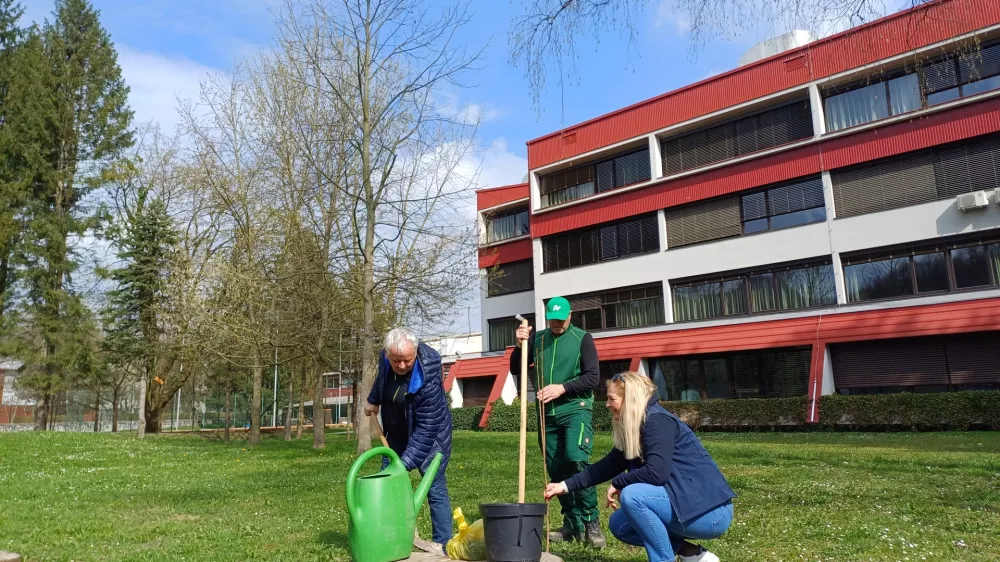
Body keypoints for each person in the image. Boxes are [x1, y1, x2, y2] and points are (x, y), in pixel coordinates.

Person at [544, 372, 737, 562]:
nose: (607, 404)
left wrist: (620, 482)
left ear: (630, 399)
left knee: (633, 496)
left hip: (711, 513)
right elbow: (609, 465)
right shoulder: (638, 426)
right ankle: (694, 555)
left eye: (612, 398)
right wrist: (564, 486)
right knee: (620, 524)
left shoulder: (657, 422)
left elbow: (656, 473)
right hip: (687, 505)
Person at [511, 296, 605, 547]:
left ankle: (591, 521)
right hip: (547, 414)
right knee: (556, 468)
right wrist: (519, 344)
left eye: (561, 320)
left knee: (576, 459)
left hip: (575, 409)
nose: (557, 325)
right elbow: (516, 368)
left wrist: (562, 388)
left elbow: (593, 377)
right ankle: (572, 524)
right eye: (553, 320)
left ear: (570, 316)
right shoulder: (538, 339)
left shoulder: (582, 339)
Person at [365, 327, 453, 549]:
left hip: (432, 436)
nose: (402, 365)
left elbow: (427, 428)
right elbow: (382, 380)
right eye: (396, 360)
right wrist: (373, 399)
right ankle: (389, 537)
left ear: (415, 353)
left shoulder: (428, 375)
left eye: (407, 360)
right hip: (395, 433)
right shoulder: (386, 361)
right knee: (387, 483)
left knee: (433, 486)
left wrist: (403, 464)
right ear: (387, 355)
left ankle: (443, 543)